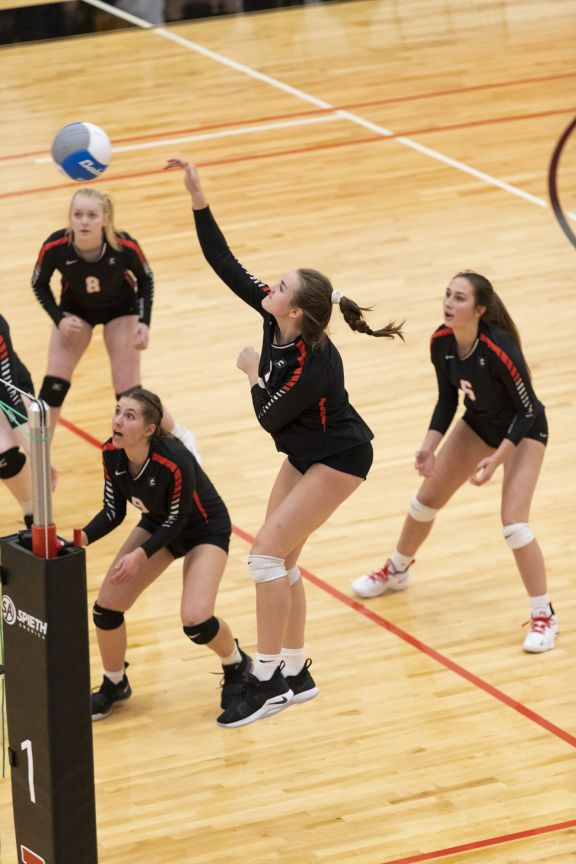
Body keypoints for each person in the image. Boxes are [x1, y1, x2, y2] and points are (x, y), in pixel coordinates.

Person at [165, 157, 404, 728]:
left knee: (264, 557)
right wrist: (199, 198)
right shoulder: (278, 318)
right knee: (282, 560)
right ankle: (296, 673)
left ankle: (268, 680)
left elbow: (270, 417)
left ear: (295, 308)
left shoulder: (312, 360)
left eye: (280, 287)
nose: (269, 287)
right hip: (306, 454)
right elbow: (224, 262)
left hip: (340, 458)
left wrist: (252, 372)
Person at [352, 271, 556, 653]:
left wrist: (498, 458)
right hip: (479, 424)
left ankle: (544, 615)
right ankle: (397, 570)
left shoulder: (499, 348)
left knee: (514, 525)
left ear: (480, 309)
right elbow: (447, 400)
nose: (449, 303)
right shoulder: (441, 342)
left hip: (524, 432)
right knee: (424, 501)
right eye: (447, 295)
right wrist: (429, 446)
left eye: (460, 298)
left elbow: (528, 409)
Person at [75, 387, 249, 720]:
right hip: (158, 523)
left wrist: (140, 555)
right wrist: (80, 538)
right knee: (107, 607)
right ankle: (115, 683)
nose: (118, 420)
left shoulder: (175, 459)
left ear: (149, 429)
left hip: (204, 529)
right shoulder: (111, 452)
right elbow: (113, 511)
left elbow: (179, 519)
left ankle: (236, 664)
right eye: (117, 411)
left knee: (196, 621)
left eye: (129, 416)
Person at [31, 187, 199, 458]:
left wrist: (144, 322)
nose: (84, 221)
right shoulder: (56, 246)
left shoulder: (123, 246)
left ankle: (181, 434)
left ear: (105, 219)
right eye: (77, 214)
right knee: (53, 387)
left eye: (91, 215)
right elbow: (38, 283)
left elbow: (145, 279)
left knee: (129, 393)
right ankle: (39, 457)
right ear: (70, 217)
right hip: (76, 311)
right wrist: (59, 318)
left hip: (120, 310)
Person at [0, 314, 35, 529]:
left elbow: (10, 395)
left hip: (9, 391)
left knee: (4, 455)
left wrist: (37, 454)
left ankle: (33, 515)